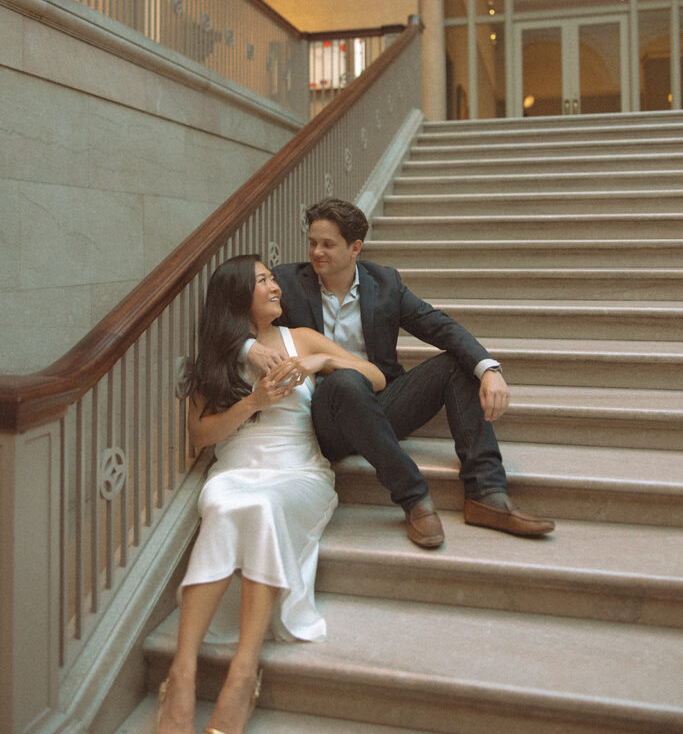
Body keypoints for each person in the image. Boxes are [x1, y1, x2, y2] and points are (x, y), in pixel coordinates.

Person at [156, 254, 384, 734]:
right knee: (222, 503)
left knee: (261, 506)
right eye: (263, 281)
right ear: (240, 295)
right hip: (236, 467)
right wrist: (255, 401)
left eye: (273, 279)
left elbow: (376, 377)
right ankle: (182, 671)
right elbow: (200, 435)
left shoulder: (299, 338)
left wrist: (321, 360)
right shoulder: (217, 356)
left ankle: (243, 670)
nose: (276, 286)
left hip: (298, 470)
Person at [246, 198, 555, 551]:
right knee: (346, 381)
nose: (316, 252)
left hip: (381, 401)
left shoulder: (385, 283)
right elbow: (230, 308)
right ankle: (415, 498)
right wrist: (247, 346)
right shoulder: (286, 280)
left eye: (328, 244)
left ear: (355, 248)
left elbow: (439, 326)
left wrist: (489, 368)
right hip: (324, 417)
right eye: (313, 242)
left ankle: (486, 492)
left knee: (456, 363)